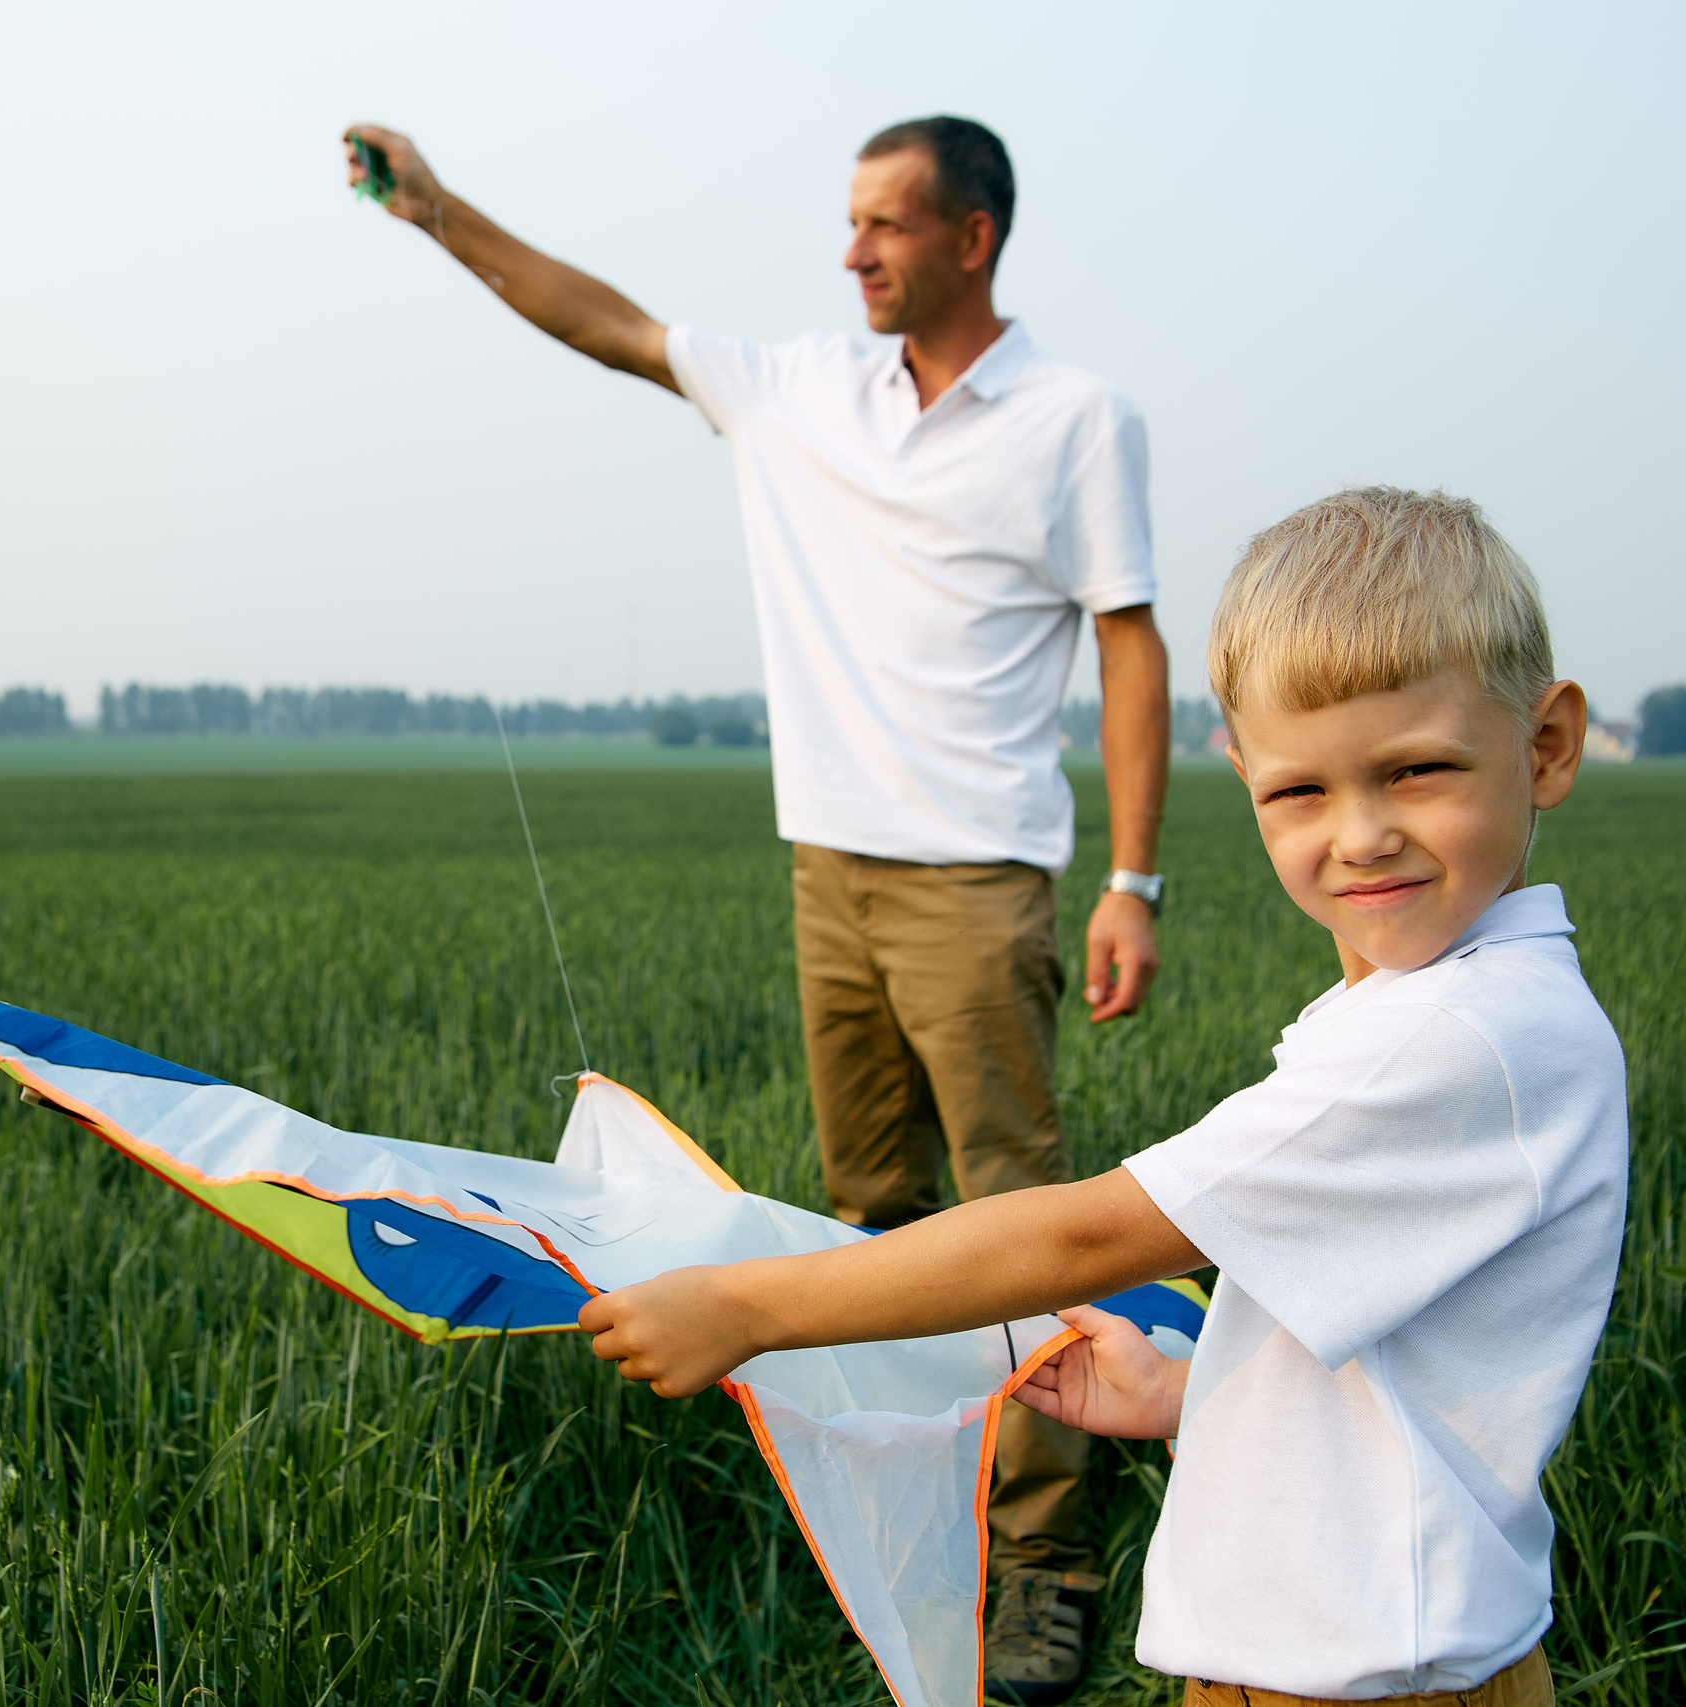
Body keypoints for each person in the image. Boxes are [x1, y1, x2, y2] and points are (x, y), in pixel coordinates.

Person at [345, 116, 1169, 1697]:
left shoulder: (1074, 419)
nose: (852, 252)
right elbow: (605, 321)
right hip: (829, 875)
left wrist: (1133, 876)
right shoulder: (795, 390)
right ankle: (904, 1498)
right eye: (848, 224)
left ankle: (1046, 1556)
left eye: (885, 225)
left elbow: (1129, 641)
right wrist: (439, 212)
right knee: (869, 1219)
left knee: (1023, 1220)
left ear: (973, 235)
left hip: (980, 881)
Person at [578, 489, 1624, 1706]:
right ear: (1239, 776)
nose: (1362, 836)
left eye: (1418, 771)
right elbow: (1411, 1384)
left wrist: (749, 1306)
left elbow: (1086, 1231)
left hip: (1365, 1680)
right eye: (1300, 793)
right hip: (1329, 1650)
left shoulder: (1460, 1039)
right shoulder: (1440, 1011)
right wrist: (1197, 1395)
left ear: (1545, 746)